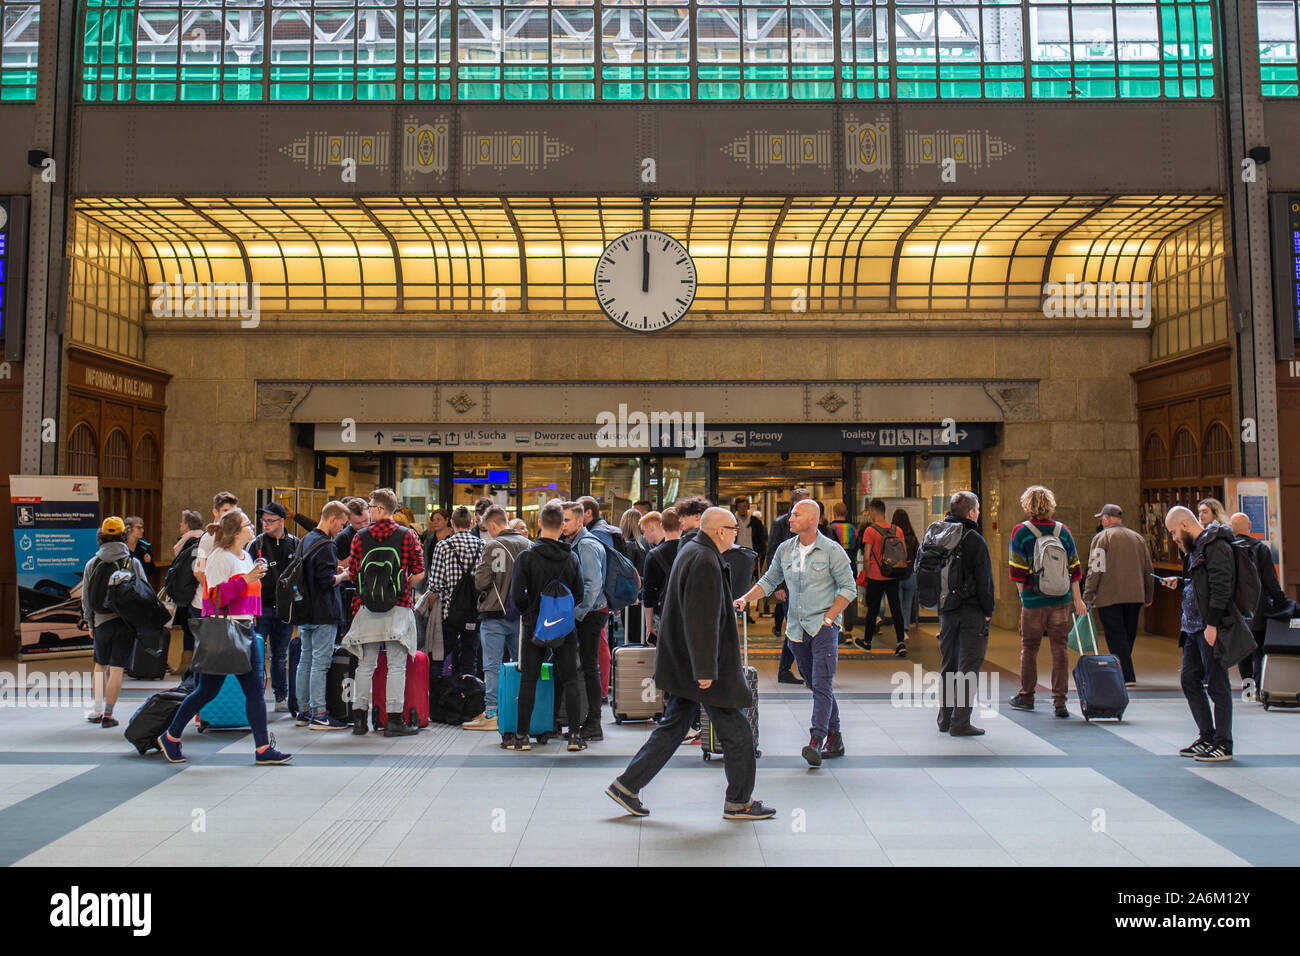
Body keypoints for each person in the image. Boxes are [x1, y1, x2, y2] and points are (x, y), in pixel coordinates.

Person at [605, 507, 776, 821]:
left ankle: (626, 786)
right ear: (719, 531)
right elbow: (701, 621)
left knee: (674, 726)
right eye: (733, 528)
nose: (736, 534)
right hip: (702, 668)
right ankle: (738, 802)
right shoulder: (705, 561)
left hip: (686, 665)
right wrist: (705, 671)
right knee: (737, 732)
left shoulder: (693, 551)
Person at [157, 509, 292, 765]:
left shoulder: (245, 556)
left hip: (245, 630)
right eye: (248, 524)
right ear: (236, 531)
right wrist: (247, 579)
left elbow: (246, 593)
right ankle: (171, 736)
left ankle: (262, 748)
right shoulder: (220, 557)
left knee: (253, 691)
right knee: (205, 691)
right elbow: (216, 597)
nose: (253, 527)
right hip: (224, 632)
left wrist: (253, 580)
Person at [739, 498, 855, 766]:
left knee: (822, 682)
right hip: (796, 630)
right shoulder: (785, 550)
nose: (789, 519)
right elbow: (769, 580)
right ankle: (835, 736)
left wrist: (830, 617)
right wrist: (746, 598)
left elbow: (849, 588)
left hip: (823, 628)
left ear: (812, 520)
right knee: (815, 683)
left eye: (795, 515)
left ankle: (816, 739)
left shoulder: (831, 550)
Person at [342, 488, 426, 737]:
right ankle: (393, 719)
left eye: (370, 505)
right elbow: (419, 571)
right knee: (396, 666)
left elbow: (354, 573)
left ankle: (359, 719)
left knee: (365, 665)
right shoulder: (407, 535)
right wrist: (404, 584)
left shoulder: (360, 537)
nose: (368, 509)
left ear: (379, 509)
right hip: (398, 607)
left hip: (366, 607)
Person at [1161, 506, 1238, 762]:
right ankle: (1206, 735)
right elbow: (1199, 582)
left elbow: (1221, 586)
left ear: (1184, 525)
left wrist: (1213, 624)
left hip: (1208, 626)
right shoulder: (1193, 550)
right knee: (1189, 680)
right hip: (1191, 627)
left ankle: (1223, 742)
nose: (1173, 539)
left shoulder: (1215, 546)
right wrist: (1180, 582)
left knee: (1217, 683)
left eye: (1173, 533)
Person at [509, 501, 586, 751]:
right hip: (564, 626)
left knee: (528, 680)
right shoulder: (571, 556)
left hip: (534, 626)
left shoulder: (526, 557)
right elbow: (580, 594)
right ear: (563, 526)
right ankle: (574, 735)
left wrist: (530, 611)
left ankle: (521, 736)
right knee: (570, 678)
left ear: (539, 524)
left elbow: (516, 596)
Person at [1008, 485, 1086, 718]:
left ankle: (1027, 696)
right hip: (1060, 599)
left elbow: (1017, 571)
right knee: (1059, 648)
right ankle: (1060, 701)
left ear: (1027, 505)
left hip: (1033, 599)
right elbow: (1075, 568)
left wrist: (1024, 597)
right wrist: (1077, 599)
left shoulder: (1020, 532)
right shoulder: (1063, 531)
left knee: (1029, 648)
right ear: (1051, 505)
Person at [932, 493, 996, 736]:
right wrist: (988, 611)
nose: (978, 513)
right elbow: (984, 581)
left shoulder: (939, 535)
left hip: (947, 610)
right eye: (977, 509)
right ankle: (961, 722)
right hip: (971, 612)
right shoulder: (974, 539)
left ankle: (944, 719)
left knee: (948, 664)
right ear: (970, 513)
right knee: (968, 666)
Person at [465, 506, 531, 731]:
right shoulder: (528, 545)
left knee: (491, 665)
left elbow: (481, 581)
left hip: (494, 613)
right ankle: (517, 708)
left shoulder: (492, 546)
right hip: (521, 615)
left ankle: (492, 711)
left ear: (492, 525)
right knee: (519, 663)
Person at [82, 516, 149, 728]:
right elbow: (145, 592)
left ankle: (97, 710)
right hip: (125, 622)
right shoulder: (133, 562)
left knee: (100, 665)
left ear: (101, 536)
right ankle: (110, 715)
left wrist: (90, 623)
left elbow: (86, 598)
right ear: (123, 535)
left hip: (101, 621)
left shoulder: (92, 564)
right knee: (117, 668)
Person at [293, 500, 351, 730]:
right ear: (332, 518)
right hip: (324, 611)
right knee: (320, 663)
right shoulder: (327, 545)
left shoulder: (305, 540)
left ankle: (303, 710)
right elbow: (326, 581)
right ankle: (319, 714)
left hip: (304, 611)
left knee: (304, 661)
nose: (341, 530)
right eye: (341, 524)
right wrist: (343, 576)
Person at [1082, 504, 1154, 686]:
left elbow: (1096, 568)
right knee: (1128, 635)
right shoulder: (1138, 538)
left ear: (1106, 518)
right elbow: (1148, 569)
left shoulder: (1102, 537)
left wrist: (1088, 594)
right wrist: (1148, 594)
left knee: (1116, 635)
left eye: (1102, 518)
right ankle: (1123, 667)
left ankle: (1127, 675)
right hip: (1135, 595)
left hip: (1109, 596)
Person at [767, 488, 835, 682]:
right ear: (794, 503)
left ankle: (795, 670)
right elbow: (773, 555)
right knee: (796, 627)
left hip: (811, 585)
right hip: (790, 585)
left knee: (804, 628)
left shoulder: (813, 523)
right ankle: (793, 670)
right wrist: (778, 586)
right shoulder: (781, 524)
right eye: (805, 502)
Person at [1228, 512, 1289, 700]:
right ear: (1249, 526)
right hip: (1259, 609)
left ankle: (1247, 689)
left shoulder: (1227, 549)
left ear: (1232, 528)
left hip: (1237, 610)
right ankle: (1259, 691)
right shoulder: (1261, 549)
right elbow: (1271, 581)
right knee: (1259, 651)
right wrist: (1282, 603)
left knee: (1243, 653)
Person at [563, 500, 608, 740]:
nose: (563, 524)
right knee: (587, 665)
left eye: (567, 520)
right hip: (589, 611)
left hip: (591, 613)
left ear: (581, 521)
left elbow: (592, 585)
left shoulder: (587, 545)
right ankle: (587, 719)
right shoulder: (575, 543)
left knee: (590, 666)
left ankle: (594, 721)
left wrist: (577, 613)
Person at [249, 501, 299, 713]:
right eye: (263, 521)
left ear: (281, 521)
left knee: (280, 653)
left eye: (270, 521)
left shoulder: (294, 544)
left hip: (284, 608)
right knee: (258, 652)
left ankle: (281, 695)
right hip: (262, 606)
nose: (265, 525)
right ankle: (256, 694)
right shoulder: (257, 544)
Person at [430, 506, 486, 677]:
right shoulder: (483, 545)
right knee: (469, 656)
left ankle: (439, 696)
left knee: (439, 656)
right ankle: (467, 696)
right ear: (471, 523)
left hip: (450, 613)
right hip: (474, 612)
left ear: (452, 523)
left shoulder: (443, 546)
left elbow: (436, 584)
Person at [853, 498, 909, 658]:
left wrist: (867, 574)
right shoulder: (897, 529)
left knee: (873, 609)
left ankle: (867, 642)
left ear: (872, 511)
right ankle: (900, 643)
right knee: (896, 608)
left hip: (876, 576)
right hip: (893, 574)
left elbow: (866, 556)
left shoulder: (870, 531)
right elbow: (903, 552)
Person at [169, 510, 205, 675]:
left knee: (189, 629)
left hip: (190, 593)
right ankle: (189, 667)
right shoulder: (204, 539)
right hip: (195, 592)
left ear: (188, 525)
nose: (180, 526)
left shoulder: (188, 542)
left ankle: (189, 667)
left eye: (182, 523)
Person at [641, 507, 679, 644]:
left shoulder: (653, 556)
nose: (643, 536)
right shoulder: (691, 550)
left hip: (663, 614)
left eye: (644, 532)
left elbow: (648, 593)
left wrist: (649, 626)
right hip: (688, 613)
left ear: (661, 526)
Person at [335, 498, 370, 639]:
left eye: (366, 521)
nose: (363, 526)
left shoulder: (375, 531)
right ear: (349, 521)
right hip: (350, 592)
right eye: (358, 523)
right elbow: (336, 564)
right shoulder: (343, 537)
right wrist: (355, 556)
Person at [733, 496, 768, 625]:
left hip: (751, 557)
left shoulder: (755, 522)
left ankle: (746, 613)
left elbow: (761, 539)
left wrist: (759, 554)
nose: (743, 509)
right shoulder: (732, 521)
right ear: (736, 507)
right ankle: (736, 612)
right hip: (735, 555)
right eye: (741, 506)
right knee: (734, 585)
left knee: (748, 585)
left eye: (745, 506)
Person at [826, 502, 858, 639]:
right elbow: (857, 548)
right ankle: (848, 629)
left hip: (834, 567)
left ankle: (835, 626)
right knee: (848, 595)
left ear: (834, 512)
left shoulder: (830, 529)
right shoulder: (853, 529)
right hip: (850, 566)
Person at [891, 508, 920, 638]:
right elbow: (918, 555)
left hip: (896, 574)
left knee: (898, 604)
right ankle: (906, 628)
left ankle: (900, 630)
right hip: (911, 573)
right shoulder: (912, 537)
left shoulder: (892, 537)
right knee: (907, 603)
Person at [124, 516, 153, 586]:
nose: (142, 530)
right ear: (128, 529)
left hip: (140, 586)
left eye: (142, 528)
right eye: (139, 528)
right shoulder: (120, 546)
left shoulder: (145, 547)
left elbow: (151, 571)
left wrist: (149, 562)